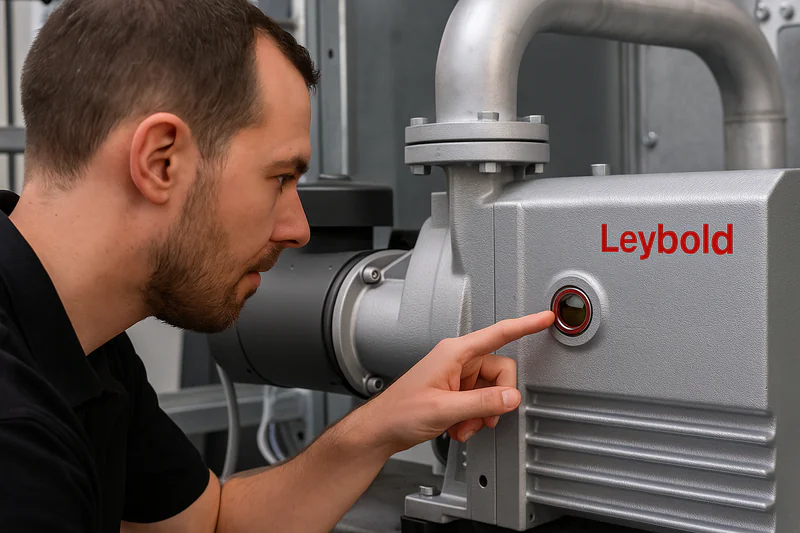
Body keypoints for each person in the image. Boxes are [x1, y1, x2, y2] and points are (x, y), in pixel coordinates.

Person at [0, 0, 556, 532]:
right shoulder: (19, 449)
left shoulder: (82, 344)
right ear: (160, 160)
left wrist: (384, 423)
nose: (299, 229)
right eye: (281, 178)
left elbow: (211, 525)